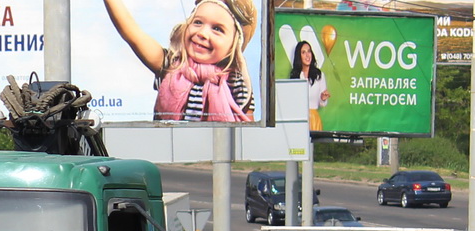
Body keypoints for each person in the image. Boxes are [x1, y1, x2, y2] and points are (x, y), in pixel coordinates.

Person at [103, 0, 256, 122]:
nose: (202, 33)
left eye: (217, 29)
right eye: (197, 22)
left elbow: (247, 125)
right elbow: (133, 34)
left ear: (234, 45)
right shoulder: (171, 65)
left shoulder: (235, 81)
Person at [289, 40, 329, 132]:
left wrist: (323, 98)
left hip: (314, 119)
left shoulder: (319, 75)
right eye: (303, 52)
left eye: (309, 51)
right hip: (298, 119)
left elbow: (322, 103)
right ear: (299, 56)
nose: (307, 55)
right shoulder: (295, 76)